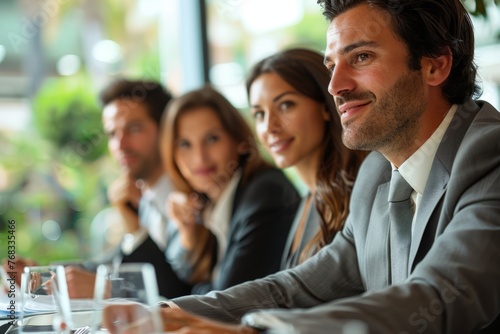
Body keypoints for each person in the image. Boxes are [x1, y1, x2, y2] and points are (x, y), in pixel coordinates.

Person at [102, 0, 500, 333]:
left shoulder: (490, 156)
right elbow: (295, 288)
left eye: (361, 57)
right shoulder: (375, 176)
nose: (336, 86)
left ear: (435, 65)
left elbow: (440, 295)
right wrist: (168, 313)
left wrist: (252, 331)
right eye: (332, 65)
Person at [3, 78, 192, 298]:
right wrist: (40, 276)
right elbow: (113, 266)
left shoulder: (189, 197)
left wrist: (134, 228)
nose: (120, 145)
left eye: (134, 129)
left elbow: (177, 291)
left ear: (165, 130)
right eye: (112, 133)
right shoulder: (144, 198)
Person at [159, 85, 300, 293]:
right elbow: (181, 281)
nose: (199, 158)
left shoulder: (265, 193)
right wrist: (188, 233)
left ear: (239, 140)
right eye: (185, 144)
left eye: (212, 139)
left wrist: (199, 289)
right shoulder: (206, 201)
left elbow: (229, 298)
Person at [246, 48, 366, 269]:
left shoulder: (359, 192)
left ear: (325, 107)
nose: (270, 127)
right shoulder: (308, 199)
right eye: (259, 114)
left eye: (285, 105)